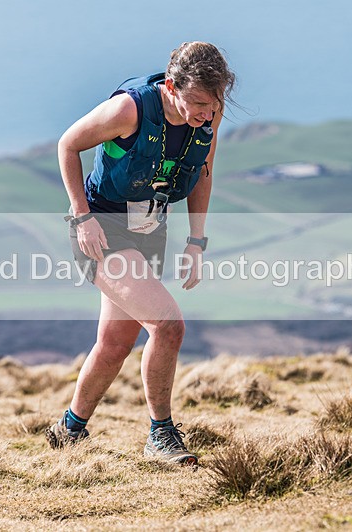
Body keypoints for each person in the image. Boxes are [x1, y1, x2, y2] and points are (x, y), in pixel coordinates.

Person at [46, 42, 235, 466]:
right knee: (167, 326)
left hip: (149, 229)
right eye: (198, 103)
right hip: (102, 230)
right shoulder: (128, 110)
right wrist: (82, 217)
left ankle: (68, 429)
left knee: (115, 344)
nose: (207, 113)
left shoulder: (210, 110)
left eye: (214, 103)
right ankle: (160, 435)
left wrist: (196, 240)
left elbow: (202, 170)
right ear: (172, 86)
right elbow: (67, 145)